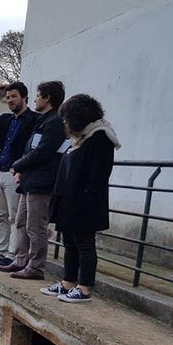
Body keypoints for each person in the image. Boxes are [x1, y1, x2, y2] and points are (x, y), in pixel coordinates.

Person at [40, 94, 118, 302]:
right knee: (70, 244)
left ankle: (84, 289)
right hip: (69, 201)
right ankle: (68, 283)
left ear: (78, 116)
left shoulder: (100, 137)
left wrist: (83, 199)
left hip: (85, 204)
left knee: (84, 244)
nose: (65, 123)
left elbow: (99, 175)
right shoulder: (79, 138)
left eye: (67, 118)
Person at [0, 81, 67, 280]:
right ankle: (20, 260)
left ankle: (36, 267)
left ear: (47, 98)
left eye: (38, 95)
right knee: (20, 222)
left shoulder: (55, 122)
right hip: (30, 181)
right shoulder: (43, 120)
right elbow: (32, 149)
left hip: (42, 182)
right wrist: (22, 169)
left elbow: (43, 152)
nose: (35, 99)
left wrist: (17, 165)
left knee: (36, 226)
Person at [0, 82, 40, 266]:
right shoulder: (5, 119)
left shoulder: (34, 120)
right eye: (8, 97)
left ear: (24, 97)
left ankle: (13, 254)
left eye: (14, 96)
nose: (10, 100)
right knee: (1, 215)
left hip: (16, 173)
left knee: (15, 217)